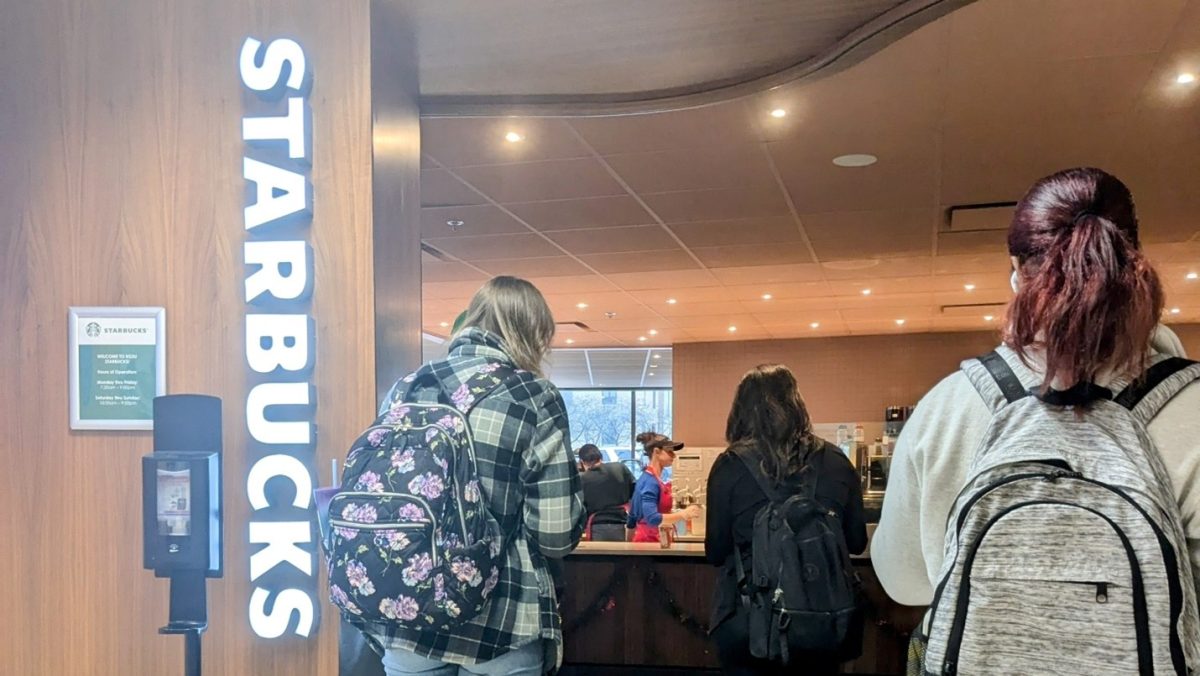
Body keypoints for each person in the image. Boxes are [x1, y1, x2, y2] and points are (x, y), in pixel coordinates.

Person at [871, 168, 1200, 667]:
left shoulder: (950, 406)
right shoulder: (1192, 406)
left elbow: (904, 580)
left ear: (1014, 271)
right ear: (1132, 259)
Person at [372, 276, 586, 676]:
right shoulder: (534, 395)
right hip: (501, 620)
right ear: (533, 333)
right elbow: (555, 534)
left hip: (407, 607)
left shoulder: (405, 388)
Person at [705, 364, 867, 676]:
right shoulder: (836, 460)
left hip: (750, 623)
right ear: (797, 404)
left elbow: (716, 550)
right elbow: (857, 542)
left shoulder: (730, 465)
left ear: (740, 410)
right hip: (824, 626)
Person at [627, 432, 701, 543]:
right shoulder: (651, 482)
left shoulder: (647, 479)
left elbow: (632, 519)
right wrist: (683, 514)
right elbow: (652, 519)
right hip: (649, 542)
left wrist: (629, 546)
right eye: (670, 452)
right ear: (657, 452)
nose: (674, 455)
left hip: (648, 542)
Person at [577, 444, 635, 542]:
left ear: (582, 462)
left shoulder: (582, 479)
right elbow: (635, 492)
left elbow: (580, 507)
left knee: (601, 556)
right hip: (623, 524)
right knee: (623, 556)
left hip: (597, 526)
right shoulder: (620, 468)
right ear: (601, 456)